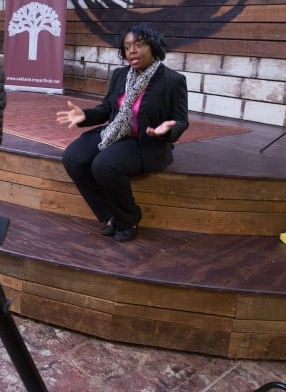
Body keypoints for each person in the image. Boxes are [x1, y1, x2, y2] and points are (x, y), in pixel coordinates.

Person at [56, 24, 189, 242]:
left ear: (154, 47)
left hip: (145, 142)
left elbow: (182, 120)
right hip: (115, 133)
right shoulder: (120, 75)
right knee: (73, 157)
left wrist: (167, 129)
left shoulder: (172, 80)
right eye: (127, 47)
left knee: (104, 164)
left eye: (139, 45)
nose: (132, 51)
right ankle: (108, 214)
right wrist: (85, 116)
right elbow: (107, 109)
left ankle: (129, 218)